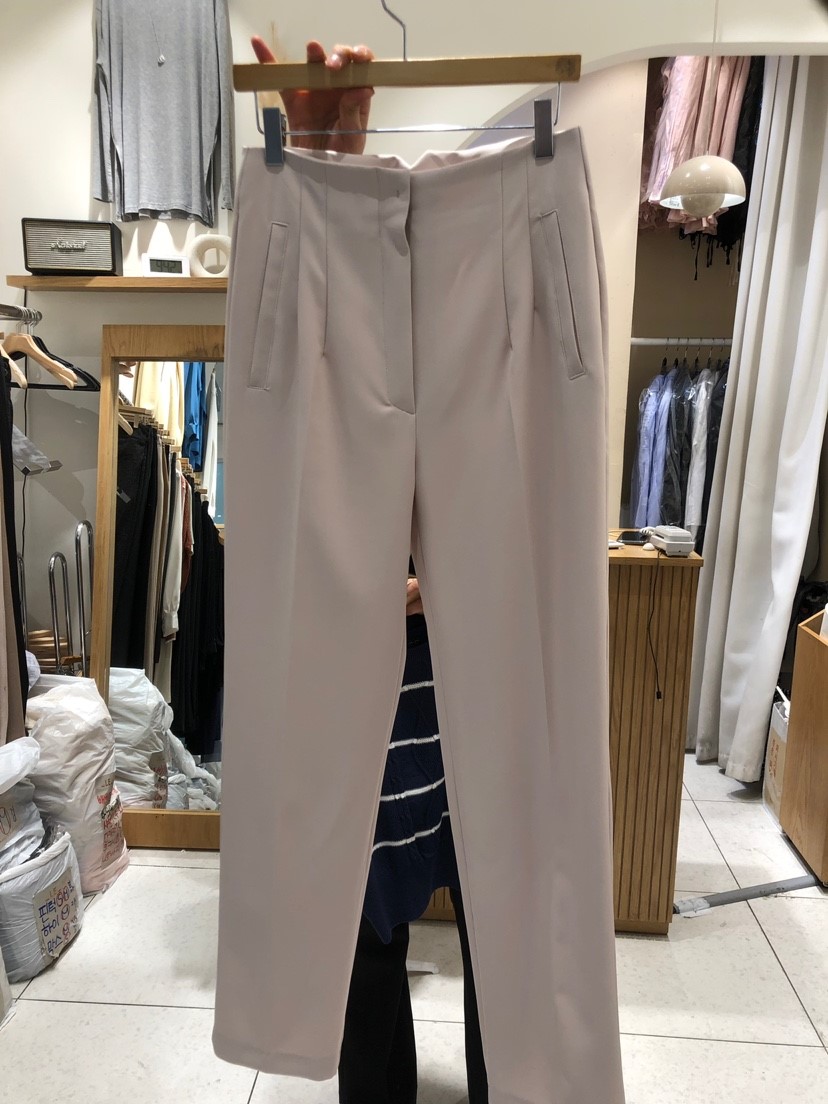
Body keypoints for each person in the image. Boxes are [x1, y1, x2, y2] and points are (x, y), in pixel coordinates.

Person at [250, 37, 489, 1104]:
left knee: (502, 921)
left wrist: (459, 573)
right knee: (367, 926)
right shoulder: (320, 353)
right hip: (379, 700)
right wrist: (315, 162)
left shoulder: (478, 322)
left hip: (465, 681)